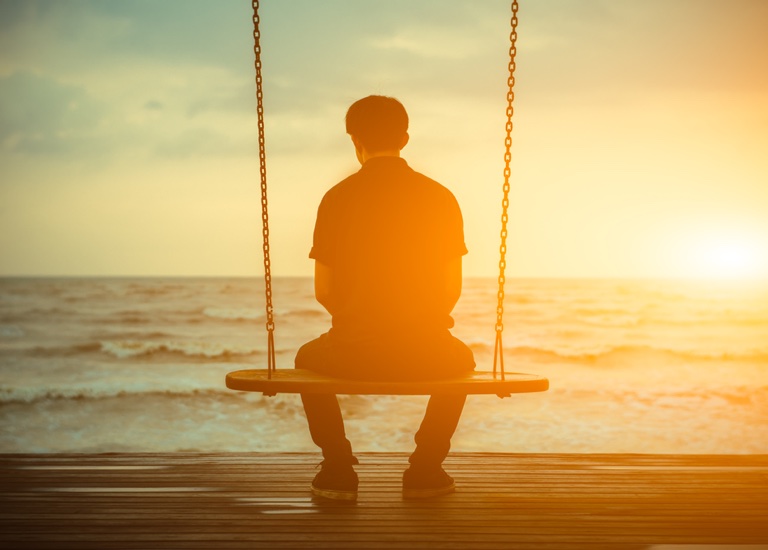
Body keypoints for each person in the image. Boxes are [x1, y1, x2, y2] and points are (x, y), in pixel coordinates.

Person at [295, 95, 475, 501]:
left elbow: (324, 291)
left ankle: (338, 469)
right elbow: (452, 289)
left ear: (354, 140)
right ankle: (426, 468)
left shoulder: (336, 199)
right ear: (405, 138)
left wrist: (360, 322)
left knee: (305, 360)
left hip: (352, 350)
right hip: (426, 351)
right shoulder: (440, 198)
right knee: (463, 360)